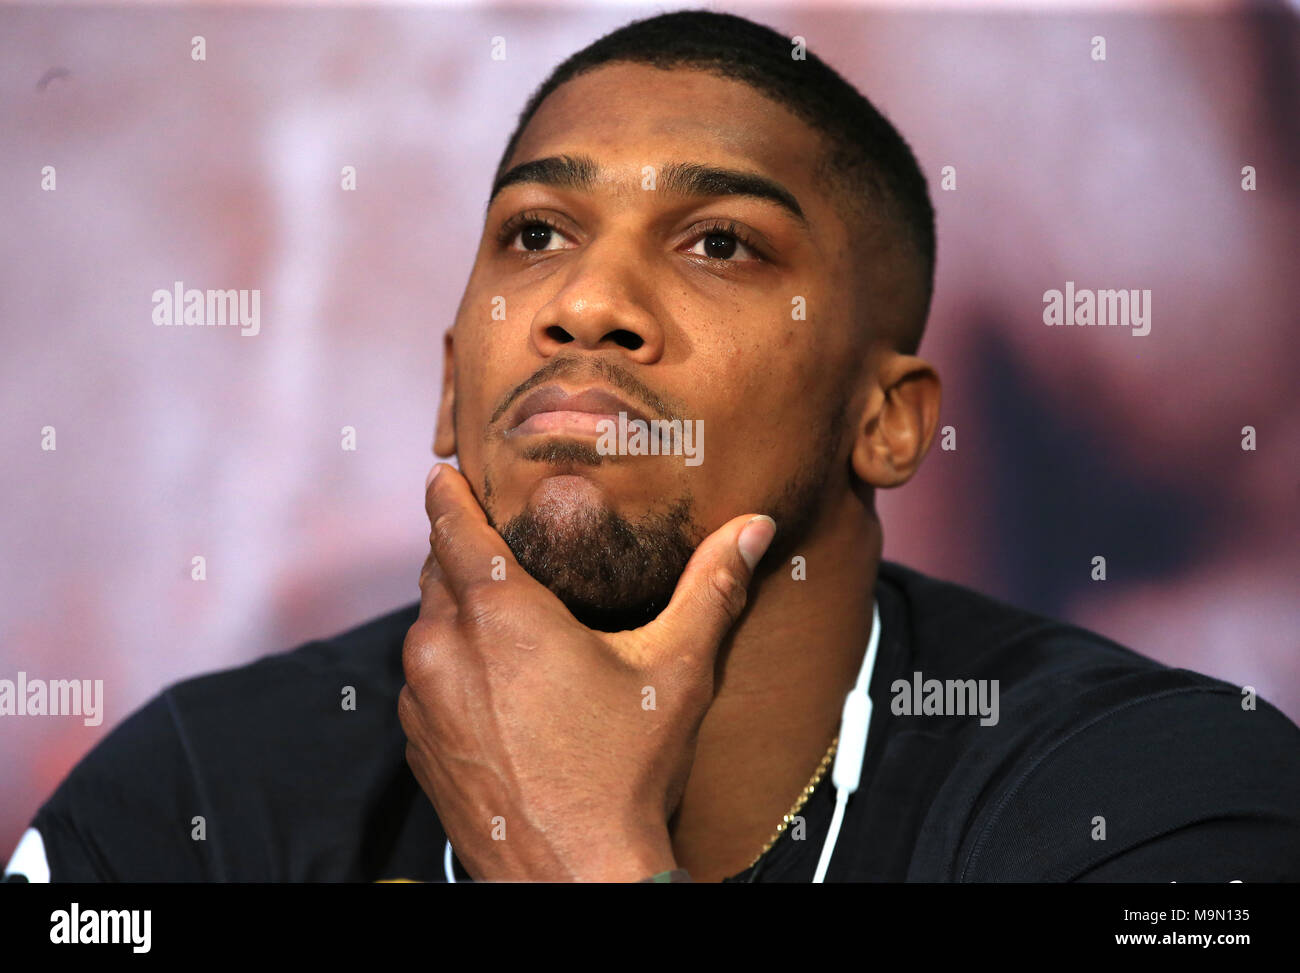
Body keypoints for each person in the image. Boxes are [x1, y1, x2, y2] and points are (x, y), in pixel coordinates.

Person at [7, 9, 1298, 884]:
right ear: (449, 387)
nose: (584, 304)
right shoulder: (188, 785)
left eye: (721, 242)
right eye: (532, 236)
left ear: (889, 420)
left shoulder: (1160, 795)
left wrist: (578, 852)